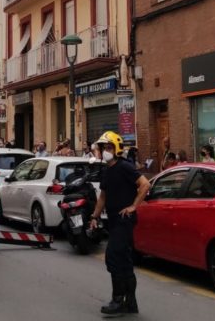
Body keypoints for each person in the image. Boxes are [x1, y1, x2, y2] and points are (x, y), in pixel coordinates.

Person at [89, 131, 150, 316]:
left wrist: (133, 206)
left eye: (108, 148)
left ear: (116, 150)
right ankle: (130, 302)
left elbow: (145, 184)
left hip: (124, 221)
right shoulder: (107, 170)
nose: (105, 151)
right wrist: (94, 217)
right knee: (124, 261)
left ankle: (118, 300)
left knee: (113, 257)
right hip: (113, 220)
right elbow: (103, 197)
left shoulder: (125, 167)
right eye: (103, 148)